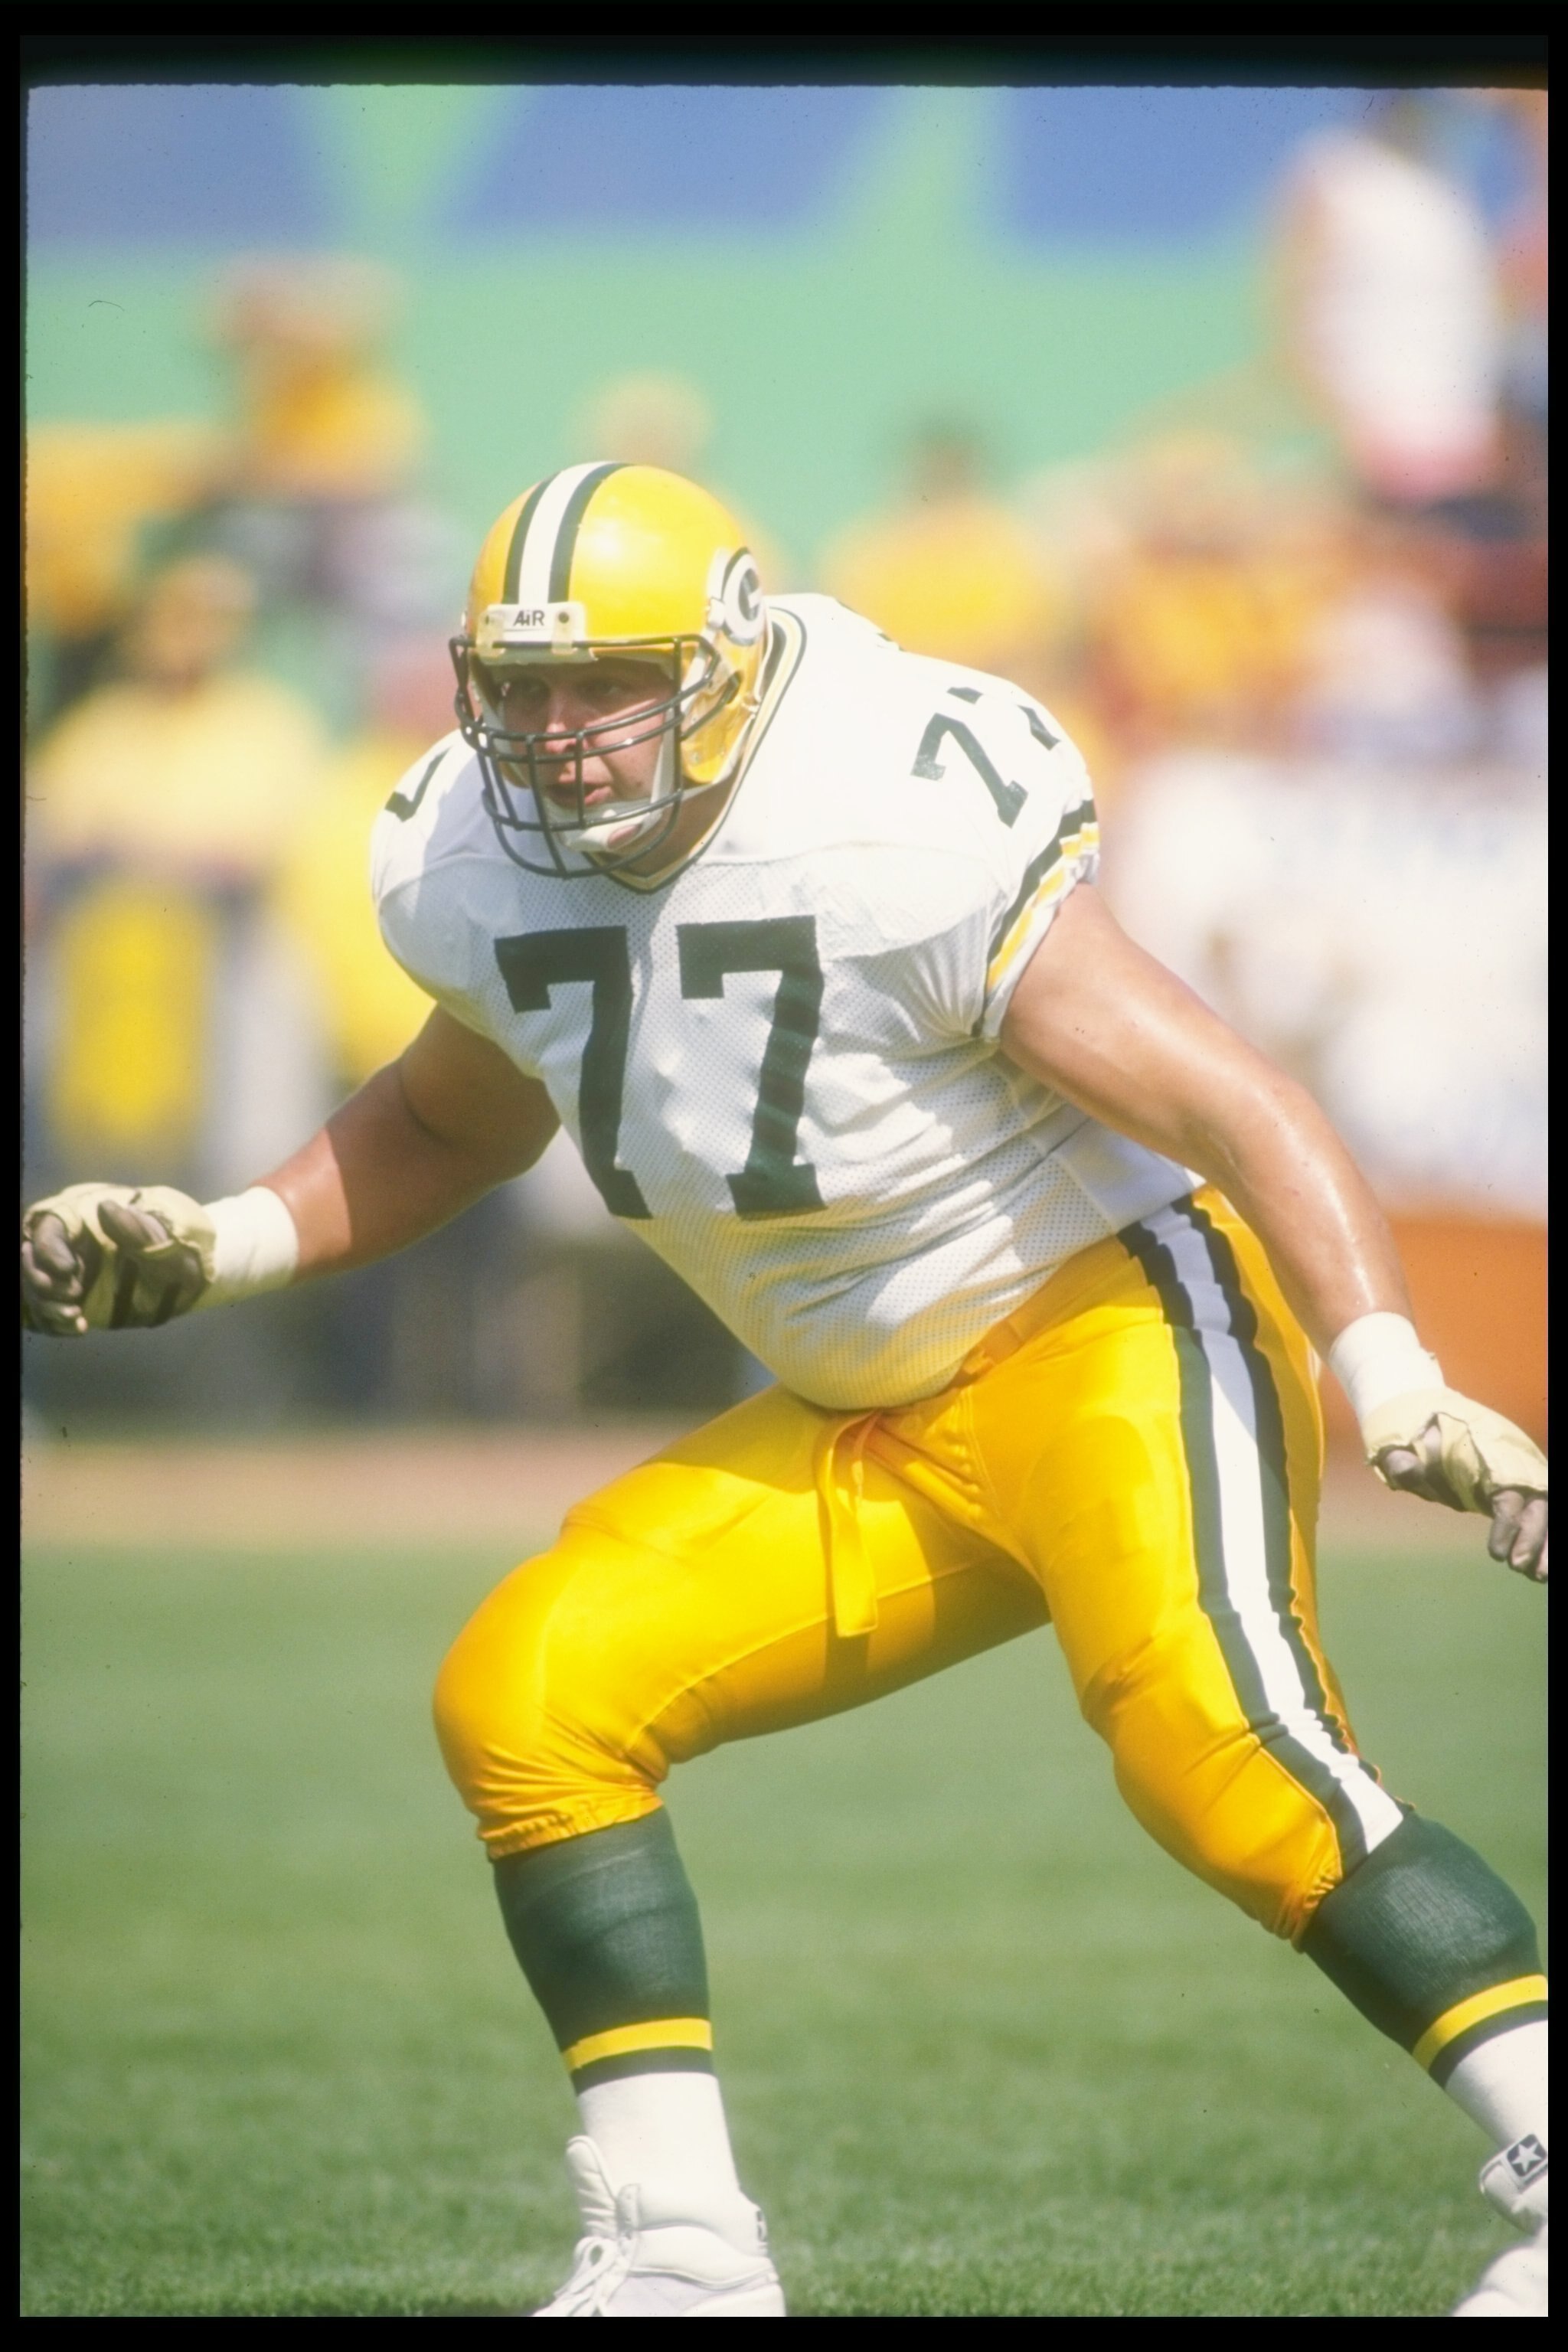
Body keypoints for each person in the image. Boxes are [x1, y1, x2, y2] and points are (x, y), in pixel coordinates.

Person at [21, 464, 1547, 2320]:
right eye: (520, 687)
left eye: (612, 685)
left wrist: (1383, 1369)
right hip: (865, 1411)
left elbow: (1236, 1102)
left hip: (1100, 1331)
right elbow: (449, 1111)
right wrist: (224, 1238)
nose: (559, 736)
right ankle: (679, 2244)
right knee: (533, 1692)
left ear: (732, 665)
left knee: (1231, 1764)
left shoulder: (879, 818)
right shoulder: (468, 854)